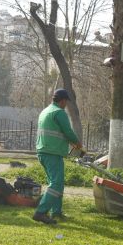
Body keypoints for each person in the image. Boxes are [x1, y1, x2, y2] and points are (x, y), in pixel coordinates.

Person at [32, 89, 82, 225]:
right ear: (63, 101)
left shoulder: (45, 111)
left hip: (43, 151)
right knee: (57, 184)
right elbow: (68, 131)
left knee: (55, 183)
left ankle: (56, 212)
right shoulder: (59, 112)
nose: (66, 105)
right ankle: (41, 212)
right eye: (66, 102)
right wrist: (77, 143)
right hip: (52, 153)